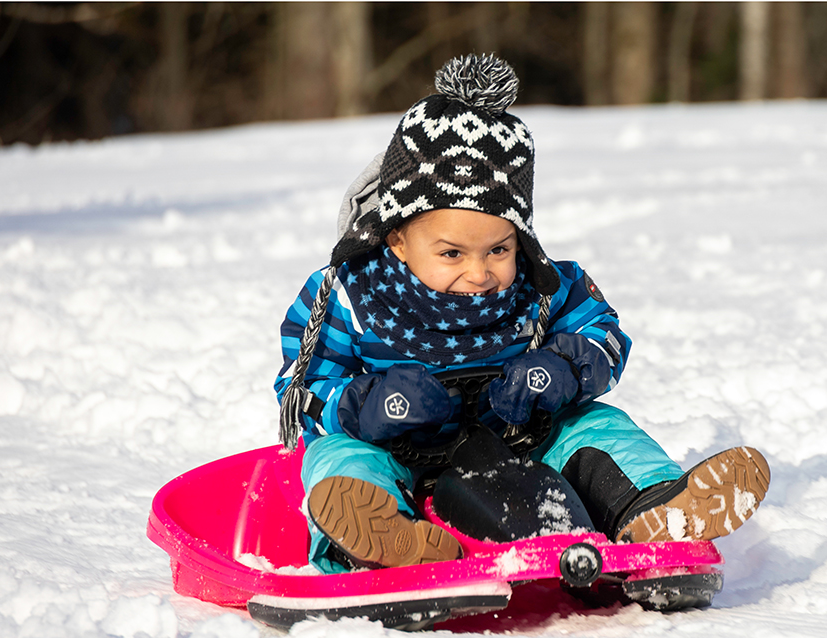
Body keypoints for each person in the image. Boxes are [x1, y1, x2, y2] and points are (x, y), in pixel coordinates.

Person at [275, 54, 770, 575]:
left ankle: (657, 509)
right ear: (397, 238)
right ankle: (381, 541)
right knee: (336, 459)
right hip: (396, 448)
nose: (478, 273)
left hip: (522, 442)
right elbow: (300, 386)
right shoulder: (350, 294)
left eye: (498, 250)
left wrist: (560, 368)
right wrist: (368, 403)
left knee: (598, 426)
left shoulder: (542, 287)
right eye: (451, 254)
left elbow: (602, 334)